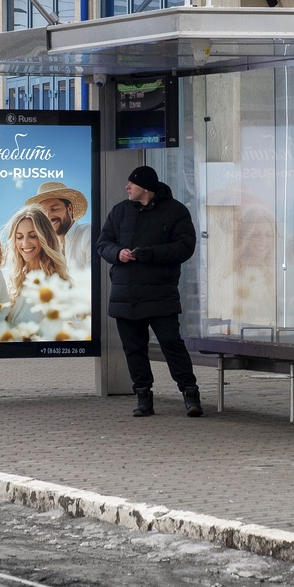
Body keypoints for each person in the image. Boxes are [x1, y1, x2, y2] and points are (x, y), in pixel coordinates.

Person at [96, 165, 203, 418]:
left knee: (171, 344)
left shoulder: (176, 211)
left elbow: (185, 247)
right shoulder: (119, 211)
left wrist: (150, 253)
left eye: (132, 183)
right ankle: (143, 397)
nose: (127, 187)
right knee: (134, 349)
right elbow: (103, 243)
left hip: (160, 293)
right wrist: (118, 253)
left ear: (145, 188)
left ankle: (190, 393)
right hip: (125, 295)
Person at [3, 205, 71, 326]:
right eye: (19, 237)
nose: (25, 243)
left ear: (45, 238)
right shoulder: (15, 282)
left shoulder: (57, 286)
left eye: (33, 236)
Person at [24, 181, 91, 274]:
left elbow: (95, 279)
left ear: (70, 209)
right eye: (43, 212)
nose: (49, 217)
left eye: (54, 209)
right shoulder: (51, 248)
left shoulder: (88, 234)